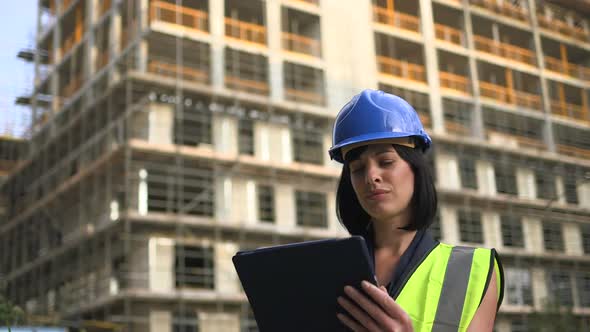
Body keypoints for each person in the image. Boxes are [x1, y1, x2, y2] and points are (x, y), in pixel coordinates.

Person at [329, 89, 504, 332]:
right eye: (357, 168)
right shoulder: (329, 269)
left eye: (386, 162)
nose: (371, 177)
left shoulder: (473, 269)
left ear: (416, 168)